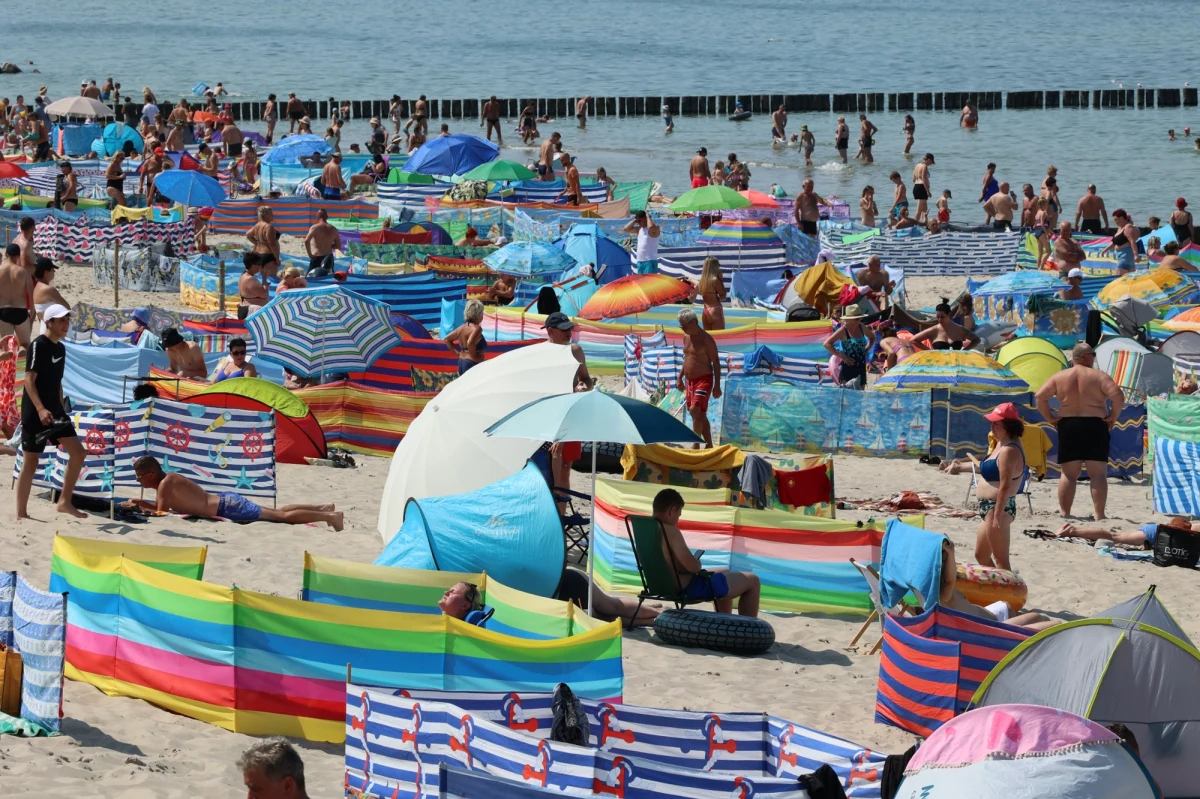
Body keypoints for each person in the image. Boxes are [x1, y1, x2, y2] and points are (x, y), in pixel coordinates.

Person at [1036, 343, 1125, 520]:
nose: (1094, 358)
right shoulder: (1099, 376)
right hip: (1095, 424)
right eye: (1092, 354)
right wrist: (1113, 416)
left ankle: (1065, 512)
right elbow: (1118, 396)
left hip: (1069, 425)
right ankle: (1099, 515)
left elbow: (1040, 396)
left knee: (1068, 473)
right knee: (1098, 473)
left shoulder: (1060, 377)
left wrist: (1051, 418)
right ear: (1085, 357)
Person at [126, 455, 342, 528]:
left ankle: (330, 516)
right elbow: (162, 508)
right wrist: (141, 502)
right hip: (227, 500)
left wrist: (139, 505)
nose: (139, 481)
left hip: (226, 507)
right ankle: (323, 508)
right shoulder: (169, 479)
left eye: (139, 477)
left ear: (150, 475)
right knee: (279, 510)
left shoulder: (165, 485)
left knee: (281, 516)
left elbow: (161, 513)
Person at [16, 304, 86, 520]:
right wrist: (40, 408)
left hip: (55, 410)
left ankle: (64, 501)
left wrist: (60, 407)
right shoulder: (39, 345)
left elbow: (57, 382)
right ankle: (21, 514)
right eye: (62, 320)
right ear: (49, 323)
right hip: (34, 411)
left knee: (78, 452)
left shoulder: (60, 348)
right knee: (31, 461)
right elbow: (29, 380)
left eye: (68, 320)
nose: (66, 324)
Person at [653, 489, 760, 617]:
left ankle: (724, 621)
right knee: (753, 581)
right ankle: (748, 631)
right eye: (678, 516)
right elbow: (694, 567)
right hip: (686, 588)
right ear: (672, 510)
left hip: (661, 585)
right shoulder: (670, 531)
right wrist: (696, 560)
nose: (677, 521)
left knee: (724, 570)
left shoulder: (644, 528)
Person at [938, 539, 1057, 630]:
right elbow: (949, 580)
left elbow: (950, 578)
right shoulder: (943, 594)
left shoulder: (939, 593)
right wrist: (951, 552)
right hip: (994, 627)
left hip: (993, 614)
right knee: (1047, 621)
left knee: (1041, 618)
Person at [972, 403, 1026, 571]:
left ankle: (1010, 595)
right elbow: (989, 468)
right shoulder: (1000, 444)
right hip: (989, 508)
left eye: (996, 423)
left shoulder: (1010, 450)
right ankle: (998, 589)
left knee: (1001, 561)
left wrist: (997, 516)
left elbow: (1005, 486)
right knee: (981, 556)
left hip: (998, 508)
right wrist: (959, 465)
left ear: (1008, 426)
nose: (991, 427)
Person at [676, 308, 721, 448]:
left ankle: (695, 445)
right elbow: (687, 359)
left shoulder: (706, 339)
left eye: (684, 326)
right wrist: (680, 377)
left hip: (704, 379)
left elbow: (716, 362)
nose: (682, 329)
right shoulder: (686, 338)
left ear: (694, 322)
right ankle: (709, 444)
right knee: (698, 414)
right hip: (690, 381)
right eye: (681, 326)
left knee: (695, 410)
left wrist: (717, 386)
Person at [824, 312, 874, 389]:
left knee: (860, 394)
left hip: (861, 364)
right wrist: (842, 356)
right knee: (847, 394)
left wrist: (867, 349)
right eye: (857, 318)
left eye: (860, 318)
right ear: (849, 319)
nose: (860, 320)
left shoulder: (861, 327)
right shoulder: (843, 330)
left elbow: (872, 337)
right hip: (848, 365)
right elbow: (827, 344)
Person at [0, 243, 33, 351]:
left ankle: (7, 367)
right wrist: (32, 311)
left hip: (3, 311)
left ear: (6, 254)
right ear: (18, 256)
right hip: (20, 311)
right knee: (25, 344)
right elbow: (31, 294)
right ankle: (21, 367)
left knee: (6, 347)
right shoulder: (24, 272)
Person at [910, 302, 981, 350]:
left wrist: (965, 351)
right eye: (937, 317)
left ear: (949, 314)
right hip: (939, 365)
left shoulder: (959, 329)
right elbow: (913, 340)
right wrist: (929, 351)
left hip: (956, 364)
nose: (939, 319)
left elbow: (977, 340)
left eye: (942, 317)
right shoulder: (934, 330)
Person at [445, 299, 487, 374]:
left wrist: (457, 354)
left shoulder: (461, 328)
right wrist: (474, 356)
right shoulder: (477, 329)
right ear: (479, 314)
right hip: (472, 364)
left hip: (461, 362)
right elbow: (470, 342)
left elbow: (447, 339)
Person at [32, 258, 67, 334]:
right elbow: (66, 307)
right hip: (52, 330)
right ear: (46, 272)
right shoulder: (49, 290)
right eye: (52, 270)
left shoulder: (36, 288)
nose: (54, 272)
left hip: (44, 327)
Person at [247, 206, 281, 284]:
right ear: (266, 215)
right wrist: (277, 258)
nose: (273, 216)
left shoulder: (257, 225)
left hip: (258, 254)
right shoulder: (269, 227)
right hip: (268, 255)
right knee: (271, 280)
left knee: (261, 279)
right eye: (271, 214)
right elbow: (272, 244)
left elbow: (248, 235)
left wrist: (257, 242)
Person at [1100, 209, 1140, 274]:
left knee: (1119, 276)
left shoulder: (1128, 227)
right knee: (1127, 279)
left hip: (1126, 255)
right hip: (1121, 254)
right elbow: (1114, 242)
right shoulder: (1120, 228)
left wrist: (1136, 255)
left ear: (1122, 218)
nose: (1115, 222)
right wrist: (1105, 250)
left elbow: (1132, 241)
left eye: (1116, 220)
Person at [303, 209, 340, 276]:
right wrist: (329, 245)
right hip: (328, 257)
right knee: (328, 278)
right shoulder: (334, 229)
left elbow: (306, 241)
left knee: (309, 279)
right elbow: (338, 246)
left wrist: (310, 254)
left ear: (317, 217)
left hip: (316, 257)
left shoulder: (315, 227)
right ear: (327, 217)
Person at [696, 256, 727, 331]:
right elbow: (723, 295)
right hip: (715, 310)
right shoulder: (715, 280)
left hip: (705, 311)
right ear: (715, 267)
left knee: (708, 339)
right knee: (719, 338)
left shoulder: (702, 281)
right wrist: (721, 279)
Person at [237, 252, 269, 318]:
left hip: (247, 309)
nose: (261, 266)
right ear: (253, 266)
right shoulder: (250, 279)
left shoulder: (243, 275)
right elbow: (264, 294)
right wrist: (264, 278)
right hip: (250, 311)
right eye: (259, 264)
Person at [911, 153, 933, 223]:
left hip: (916, 187)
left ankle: (925, 223)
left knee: (924, 209)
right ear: (929, 160)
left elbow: (913, 179)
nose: (931, 164)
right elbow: (924, 179)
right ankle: (914, 225)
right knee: (919, 210)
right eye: (931, 162)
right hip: (922, 188)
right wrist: (928, 191)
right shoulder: (924, 166)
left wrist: (918, 186)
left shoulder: (917, 165)